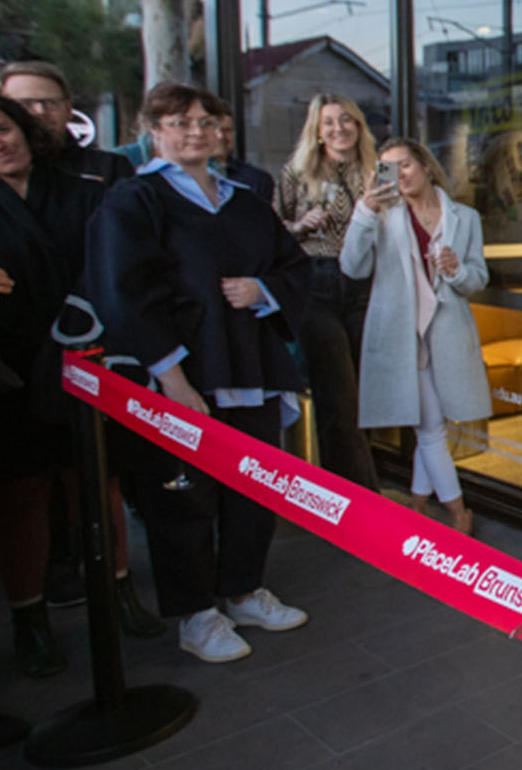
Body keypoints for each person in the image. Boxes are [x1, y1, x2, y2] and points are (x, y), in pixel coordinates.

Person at [83, 83, 315, 664]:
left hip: (252, 367)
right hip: (181, 373)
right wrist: (173, 380)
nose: (195, 132)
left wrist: (262, 289)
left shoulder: (246, 200)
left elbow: (294, 266)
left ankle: (243, 590)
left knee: (255, 484)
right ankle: (196, 615)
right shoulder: (134, 200)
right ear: (153, 131)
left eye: (206, 122)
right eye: (179, 122)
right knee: (183, 497)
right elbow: (123, 292)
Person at [0, 93, 160, 677]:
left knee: (98, 481)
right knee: (22, 496)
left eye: (2, 129)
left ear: (24, 129)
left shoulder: (82, 188)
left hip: (89, 359)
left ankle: (118, 593)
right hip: (9, 370)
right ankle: (29, 620)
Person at [340, 137, 490, 535]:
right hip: (403, 337)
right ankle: (459, 512)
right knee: (430, 428)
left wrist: (456, 270)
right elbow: (352, 267)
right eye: (388, 169)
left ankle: (418, 503)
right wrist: (364, 212)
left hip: (447, 335)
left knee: (432, 424)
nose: (399, 176)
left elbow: (477, 278)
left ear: (424, 165)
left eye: (404, 165)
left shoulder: (464, 217)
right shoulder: (382, 215)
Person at [276, 93, 380, 491]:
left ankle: (354, 489)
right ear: (317, 131)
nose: (339, 129)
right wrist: (300, 225)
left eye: (347, 120)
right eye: (329, 122)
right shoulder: (296, 173)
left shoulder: (376, 170)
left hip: (368, 284)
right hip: (317, 284)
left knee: (365, 397)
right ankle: (359, 500)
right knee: (338, 397)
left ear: (358, 125)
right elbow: (272, 233)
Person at [0, 60, 132, 188]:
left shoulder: (109, 167)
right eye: (25, 104)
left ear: (68, 109)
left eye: (50, 103)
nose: (40, 111)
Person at [214, 110, 275, 204]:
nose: (221, 136)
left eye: (227, 130)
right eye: (214, 130)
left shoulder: (257, 180)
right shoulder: (190, 179)